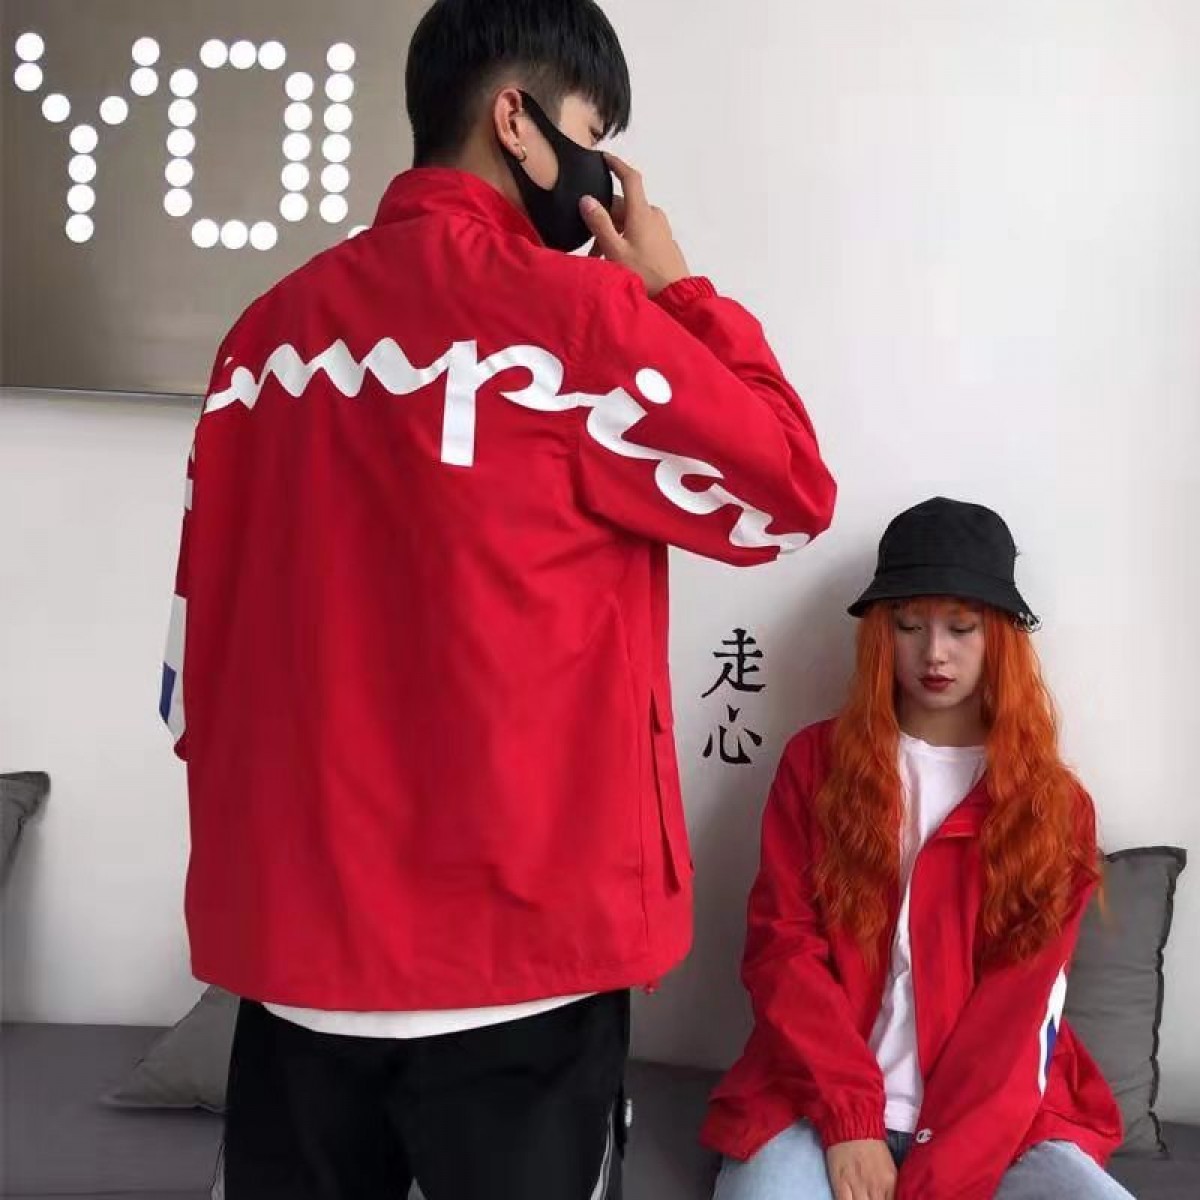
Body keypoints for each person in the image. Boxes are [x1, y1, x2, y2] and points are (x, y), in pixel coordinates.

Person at [158, 1, 837, 1197]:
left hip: (290, 964)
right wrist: (677, 289)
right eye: (592, 132)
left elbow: (188, 672)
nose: (605, 173)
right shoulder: (580, 321)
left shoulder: (257, 342)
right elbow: (785, 490)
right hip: (521, 970)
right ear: (517, 122)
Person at [702, 498, 1129, 1200]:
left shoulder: (1051, 807)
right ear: (881, 634)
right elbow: (782, 950)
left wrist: (938, 1180)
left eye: (961, 627)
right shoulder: (817, 765)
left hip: (997, 1124)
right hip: (814, 1101)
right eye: (909, 625)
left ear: (1000, 638)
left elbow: (1018, 1016)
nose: (934, 652)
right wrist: (851, 1124)